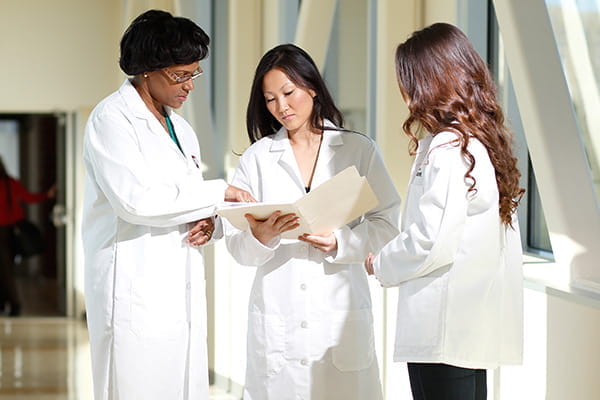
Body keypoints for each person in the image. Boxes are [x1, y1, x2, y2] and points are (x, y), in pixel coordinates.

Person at [81, 10, 253, 400]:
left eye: (194, 73)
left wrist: (209, 222)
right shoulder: (113, 119)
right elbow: (136, 201)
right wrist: (217, 192)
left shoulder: (182, 129)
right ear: (146, 70)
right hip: (133, 284)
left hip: (179, 284)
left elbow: (183, 201)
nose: (190, 85)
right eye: (180, 75)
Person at [224, 44, 401, 400]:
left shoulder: (358, 150)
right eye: (270, 99)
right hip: (278, 313)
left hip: (340, 313)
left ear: (313, 87)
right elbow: (237, 246)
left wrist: (342, 242)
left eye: (288, 93)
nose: (281, 107)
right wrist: (262, 237)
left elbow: (388, 224)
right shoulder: (258, 159)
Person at [364, 22, 525, 400]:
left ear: (429, 82)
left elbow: (431, 239)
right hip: (467, 328)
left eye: (408, 81)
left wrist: (381, 262)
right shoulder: (478, 143)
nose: (405, 93)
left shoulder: (448, 147)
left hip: (442, 329)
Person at [0, 156, 56, 316]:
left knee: (5, 271)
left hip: (4, 232)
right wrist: (47, 195)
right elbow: (29, 197)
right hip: (11, 231)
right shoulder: (11, 183)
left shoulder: (10, 183)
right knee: (6, 269)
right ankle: (7, 303)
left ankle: (13, 304)